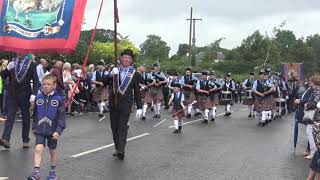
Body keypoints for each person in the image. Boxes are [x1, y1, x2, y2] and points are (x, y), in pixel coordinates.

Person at [27, 74, 66, 180]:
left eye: (48, 84)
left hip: (53, 131)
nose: (45, 86)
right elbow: (35, 115)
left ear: (54, 85)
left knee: (52, 150)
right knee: (38, 149)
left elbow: (62, 117)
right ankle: (36, 173)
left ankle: (52, 172)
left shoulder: (59, 99)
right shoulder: (38, 98)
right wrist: (34, 126)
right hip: (40, 129)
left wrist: (58, 131)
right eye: (44, 84)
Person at [108, 49, 142, 160]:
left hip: (126, 104)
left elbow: (137, 91)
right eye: (124, 57)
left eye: (129, 58)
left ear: (131, 61)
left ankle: (121, 150)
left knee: (122, 127)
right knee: (114, 127)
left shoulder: (134, 73)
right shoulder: (114, 70)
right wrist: (110, 74)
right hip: (113, 103)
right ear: (121, 58)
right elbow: (103, 82)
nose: (126, 59)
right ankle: (117, 148)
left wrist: (140, 107)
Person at [0, 54, 40, 149]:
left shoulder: (31, 64)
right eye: (18, 51)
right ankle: (5, 139)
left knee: (25, 117)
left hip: (25, 94)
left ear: (25, 52)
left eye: (21, 51)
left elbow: (36, 81)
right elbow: (3, 76)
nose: (19, 53)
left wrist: (34, 94)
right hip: (12, 94)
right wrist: (7, 70)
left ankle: (25, 140)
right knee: (10, 116)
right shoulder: (12, 63)